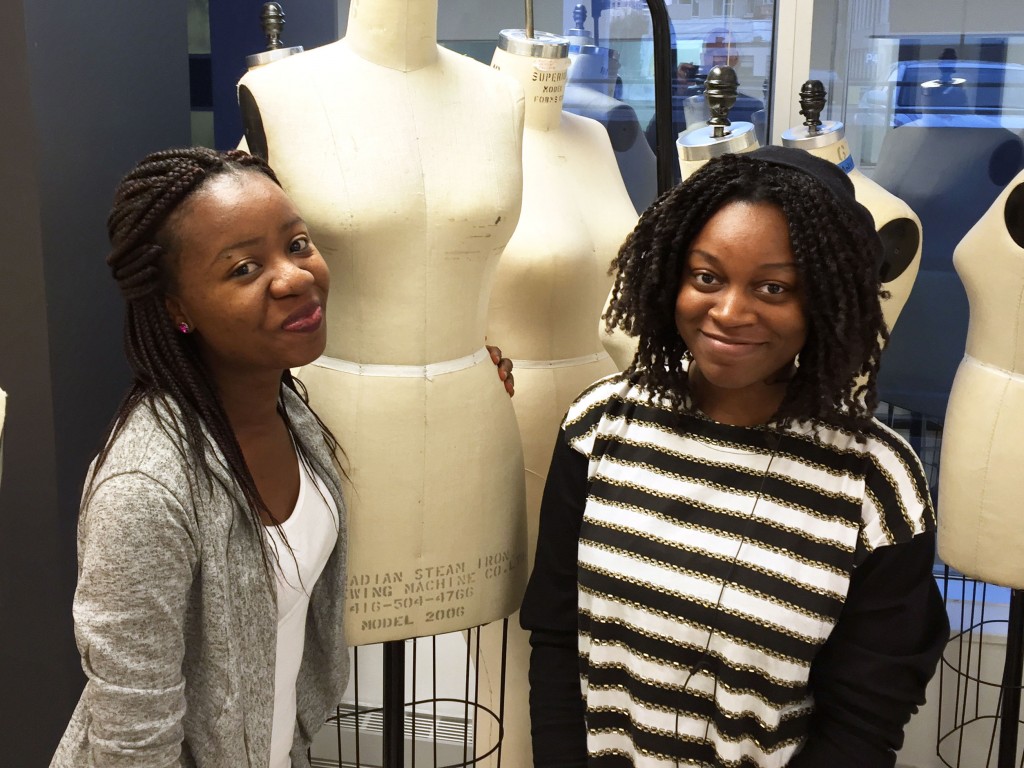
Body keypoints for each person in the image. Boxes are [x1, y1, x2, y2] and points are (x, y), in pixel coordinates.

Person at [49, 147, 515, 767]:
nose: (295, 276)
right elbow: (133, 737)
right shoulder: (146, 489)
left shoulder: (289, 410)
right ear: (176, 308)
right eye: (243, 268)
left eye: (297, 245)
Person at [521, 146, 949, 767]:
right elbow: (558, 638)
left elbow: (864, 721)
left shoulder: (875, 483)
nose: (728, 312)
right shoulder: (602, 423)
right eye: (707, 277)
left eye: (773, 287)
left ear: (824, 302)